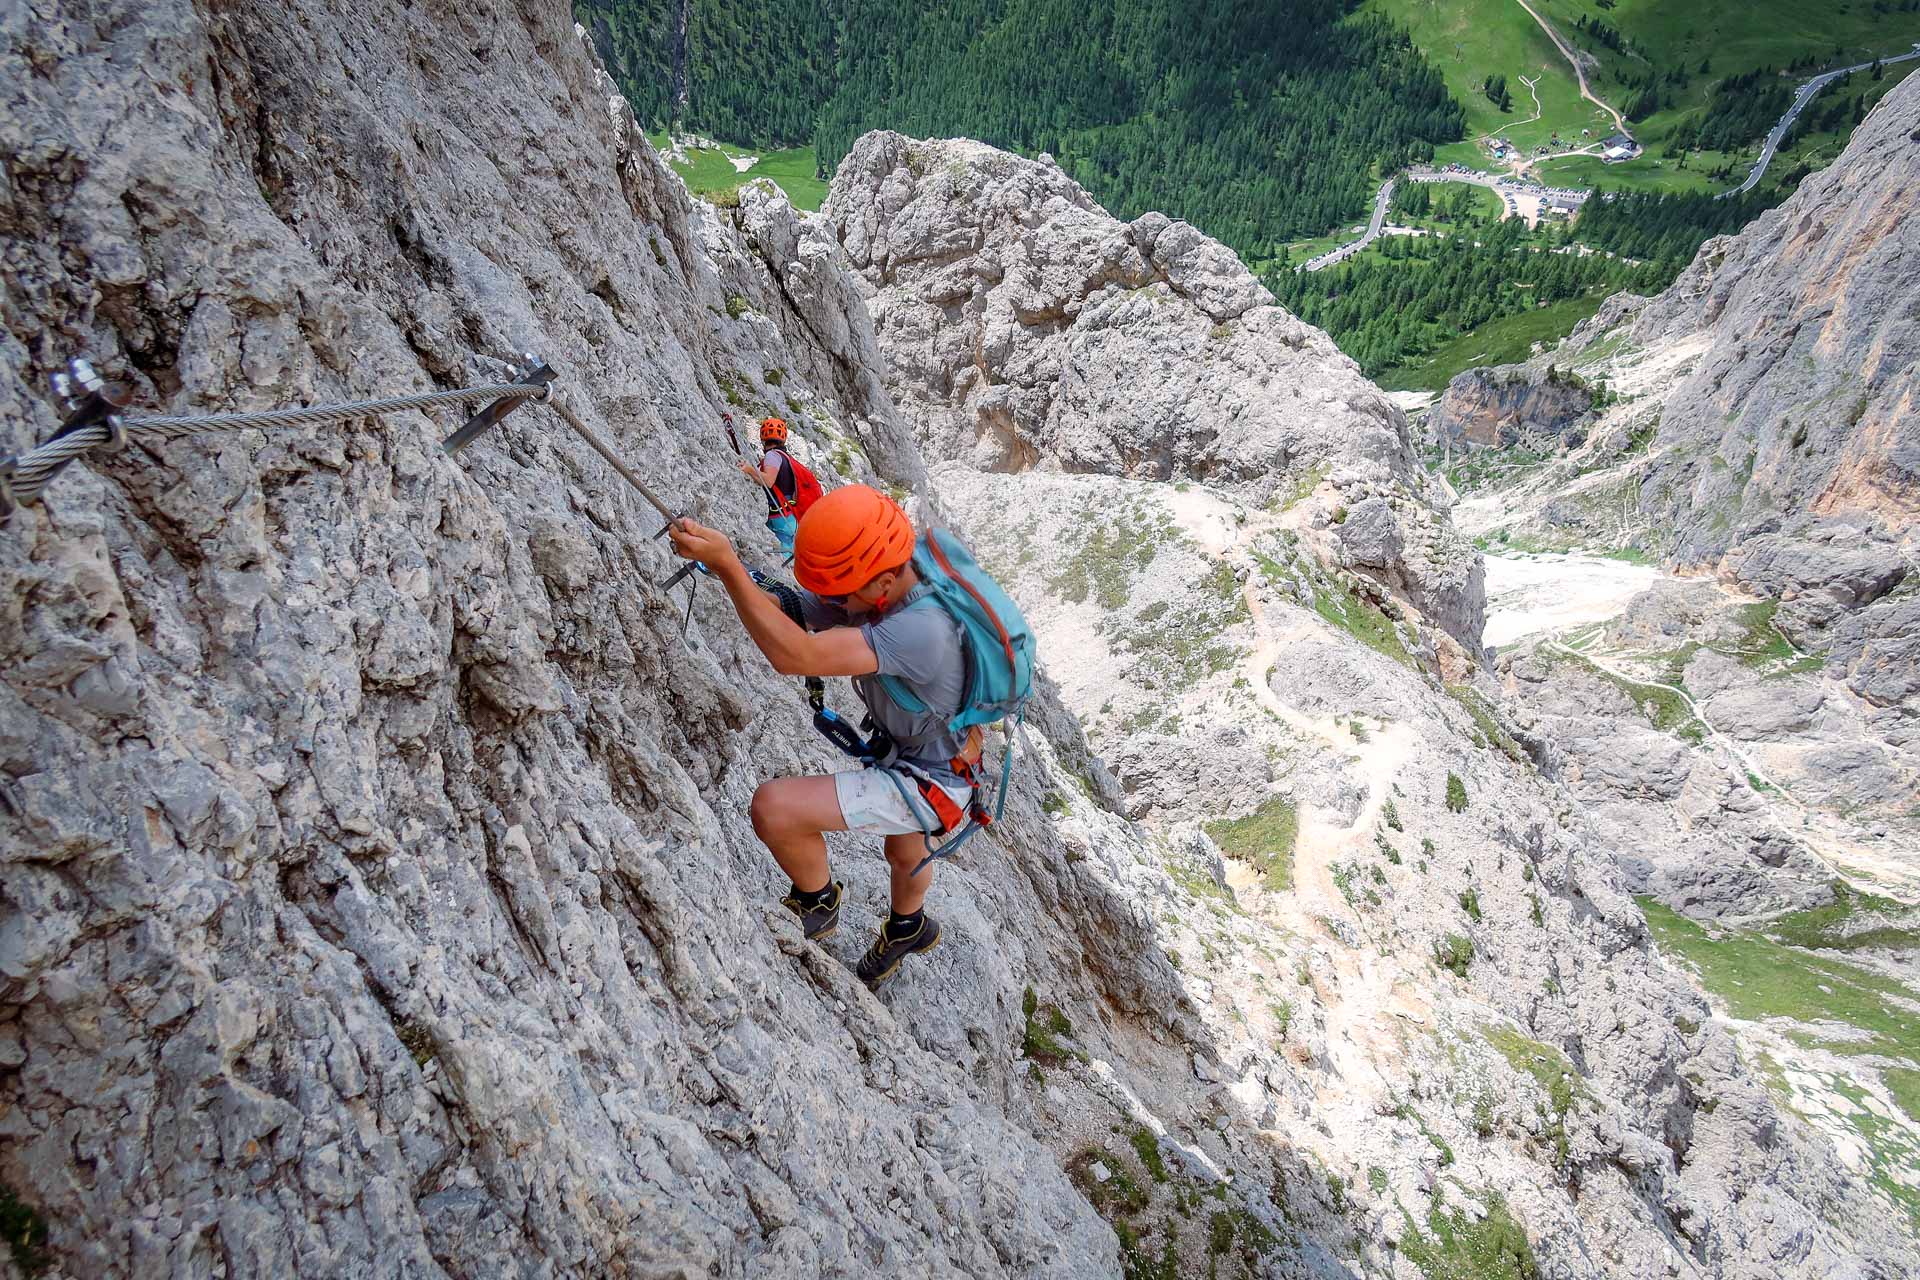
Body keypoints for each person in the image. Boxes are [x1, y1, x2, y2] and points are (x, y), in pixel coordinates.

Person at [667, 485, 980, 990]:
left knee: (775, 808)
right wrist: (728, 568)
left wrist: (728, 566)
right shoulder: (895, 578)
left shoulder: (919, 629)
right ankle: (909, 927)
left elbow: (796, 656)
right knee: (906, 852)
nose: (836, 601)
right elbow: (796, 608)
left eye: (844, 591)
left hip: (934, 778)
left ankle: (817, 901)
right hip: (936, 753)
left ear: (878, 583)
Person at [736, 417, 803, 555]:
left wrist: (749, 469)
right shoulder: (785, 456)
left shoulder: (772, 455)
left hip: (779, 518)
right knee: (790, 555)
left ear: (764, 438)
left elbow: (768, 481)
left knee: (783, 556)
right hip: (789, 517)